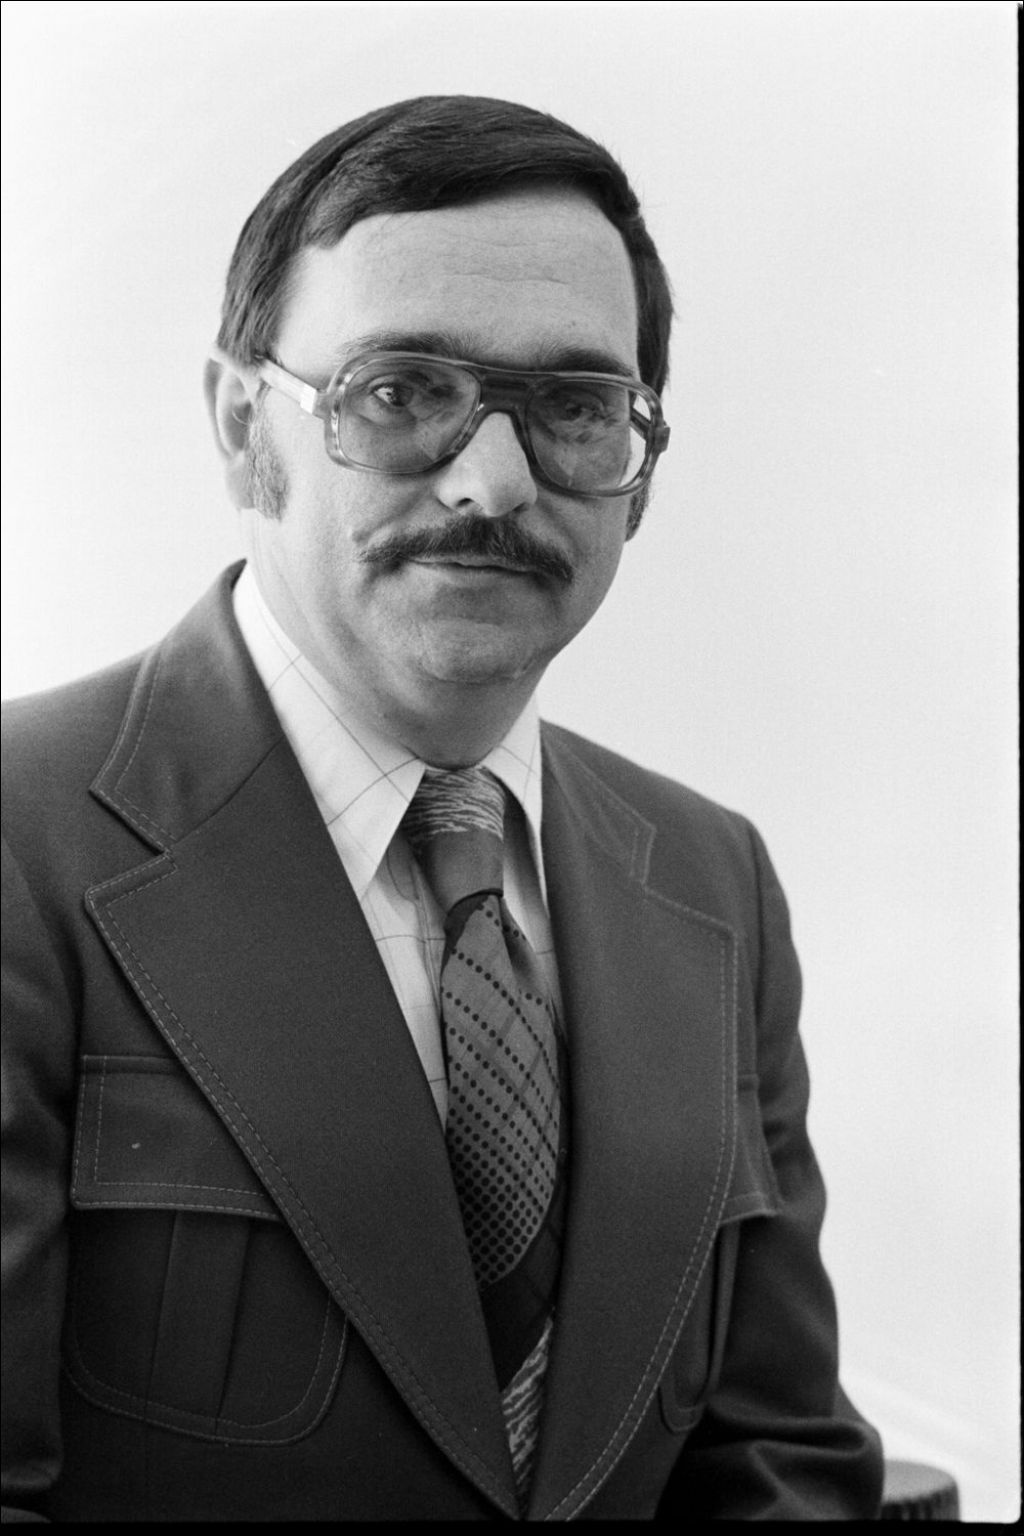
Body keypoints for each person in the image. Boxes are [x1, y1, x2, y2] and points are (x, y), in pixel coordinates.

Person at [1, 95, 883, 1522]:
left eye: (576, 407)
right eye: (402, 391)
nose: (492, 481)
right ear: (244, 427)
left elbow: (779, 1465)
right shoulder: (19, 841)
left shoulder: (714, 881)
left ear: (640, 473)